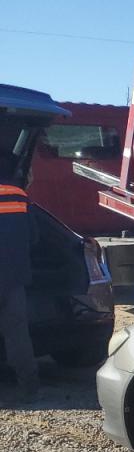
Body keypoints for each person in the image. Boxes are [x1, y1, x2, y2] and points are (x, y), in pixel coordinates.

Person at [0, 153, 38, 403]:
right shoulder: (19, 195)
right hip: (14, 277)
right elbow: (34, 237)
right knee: (17, 335)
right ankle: (29, 387)